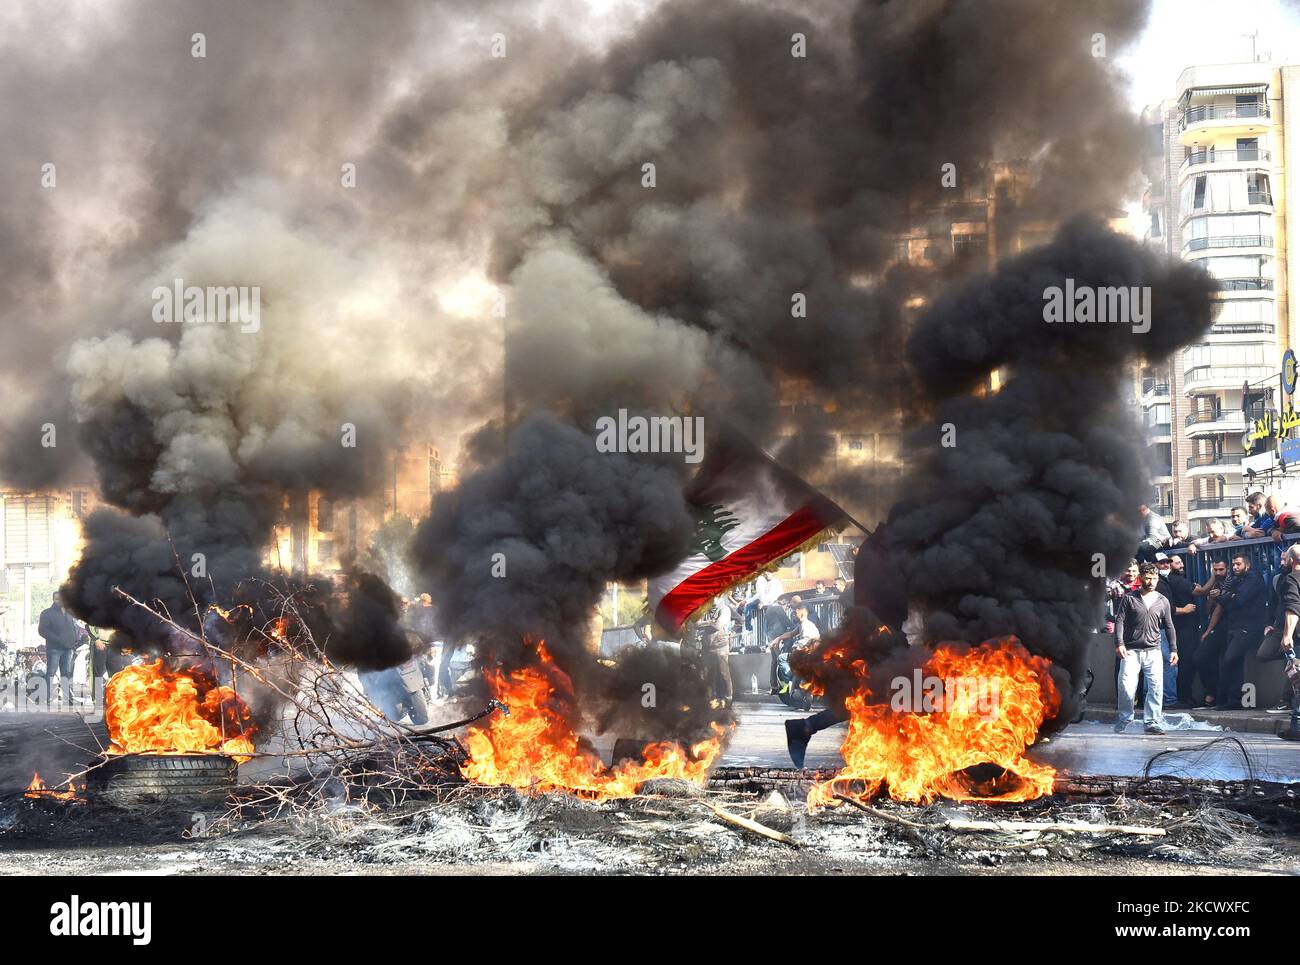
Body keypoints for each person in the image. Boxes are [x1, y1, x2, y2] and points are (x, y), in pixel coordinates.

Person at [1115, 563, 1178, 735]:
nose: (1151, 582)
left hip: (1154, 650)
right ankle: (1125, 718)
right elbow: (1119, 621)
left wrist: (1173, 649)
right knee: (1126, 686)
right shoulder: (1129, 598)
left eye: (1155, 578)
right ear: (1140, 578)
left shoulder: (1162, 601)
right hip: (1131, 651)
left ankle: (1152, 722)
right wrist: (1119, 643)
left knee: (1156, 687)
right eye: (1148, 578)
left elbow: (1169, 626)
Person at [1212, 553, 1267, 710]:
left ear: (1247, 565)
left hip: (1249, 627)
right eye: (1234, 564)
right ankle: (1233, 700)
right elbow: (1227, 601)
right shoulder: (1235, 580)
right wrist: (1227, 595)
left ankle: (1229, 699)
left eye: (1238, 564)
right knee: (1232, 660)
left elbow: (1240, 600)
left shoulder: (1253, 578)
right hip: (1235, 626)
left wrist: (1226, 595)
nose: (1235, 567)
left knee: (1230, 658)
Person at [1258, 545, 1300, 730]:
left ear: (1292, 560)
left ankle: (1296, 722)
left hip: (1293, 631)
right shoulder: (1280, 579)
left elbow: (1292, 607)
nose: (1282, 562)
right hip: (1283, 628)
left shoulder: (1291, 578)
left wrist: (1287, 634)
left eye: (1285, 559)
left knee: (1297, 674)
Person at [37, 592, 86, 708]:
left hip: (68, 649)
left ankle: (67, 698)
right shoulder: (47, 613)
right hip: (54, 648)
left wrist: (73, 641)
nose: (59, 601)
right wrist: (58, 639)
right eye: (56, 599)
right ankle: (46, 698)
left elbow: (73, 628)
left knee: (66, 674)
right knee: (51, 673)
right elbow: (42, 630)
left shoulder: (69, 614)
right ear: (53, 599)